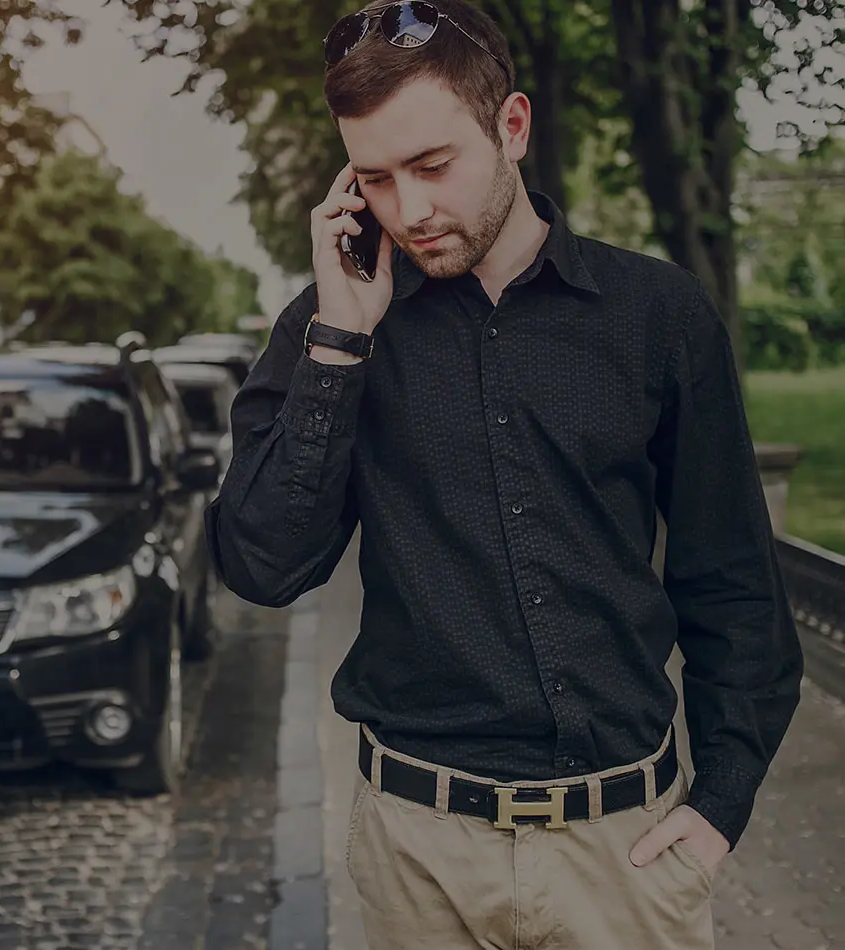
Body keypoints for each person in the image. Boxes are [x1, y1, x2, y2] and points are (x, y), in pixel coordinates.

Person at [203, 1, 804, 947]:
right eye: (375, 180)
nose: (409, 212)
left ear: (511, 126)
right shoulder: (332, 327)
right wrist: (341, 345)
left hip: (627, 854)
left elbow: (732, 581)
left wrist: (723, 801)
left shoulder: (656, 316)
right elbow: (263, 566)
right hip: (417, 856)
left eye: (434, 166)